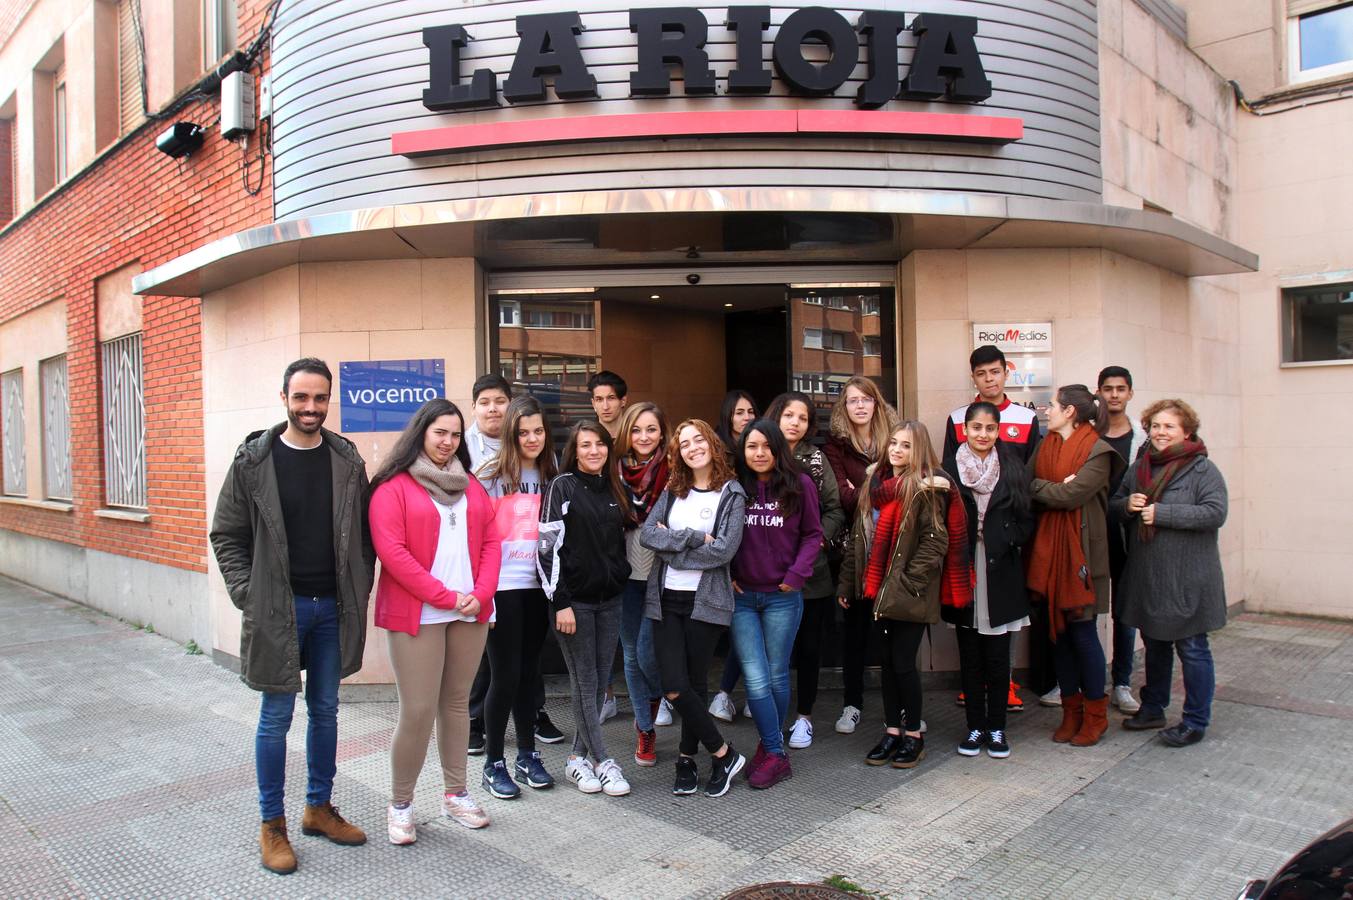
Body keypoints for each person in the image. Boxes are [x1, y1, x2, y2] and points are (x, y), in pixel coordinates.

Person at [210, 357, 375, 875]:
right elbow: (226, 535)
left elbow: (364, 539)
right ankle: (271, 824)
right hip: (279, 609)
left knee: (326, 712)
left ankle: (318, 808)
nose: (311, 408)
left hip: (332, 609)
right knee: (276, 717)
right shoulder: (253, 461)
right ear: (284, 398)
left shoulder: (347, 461)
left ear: (329, 401)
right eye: (301, 397)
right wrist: (248, 595)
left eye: (320, 398)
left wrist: (359, 584)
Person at [369, 398, 501, 842]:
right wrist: (446, 596)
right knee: (419, 710)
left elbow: (491, 544)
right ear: (421, 432)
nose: (448, 441)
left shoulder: (472, 487)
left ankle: (455, 793)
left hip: (469, 612)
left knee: (457, 704)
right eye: (439, 432)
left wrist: (480, 595)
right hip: (420, 614)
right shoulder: (393, 487)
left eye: (455, 434)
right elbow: (394, 555)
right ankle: (401, 803)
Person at [837, 421, 955, 770]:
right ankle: (891, 731)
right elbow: (858, 539)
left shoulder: (928, 487)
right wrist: (848, 583)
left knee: (903, 665)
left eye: (906, 445)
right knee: (887, 665)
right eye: (893, 444)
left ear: (918, 450)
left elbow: (936, 542)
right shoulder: (875, 485)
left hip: (908, 594)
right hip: (878, 590)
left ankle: (914, 736)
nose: (897, 450)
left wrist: (906, 582)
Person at [641, 419, 748, 797]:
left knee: (694, 684)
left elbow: (724, 551)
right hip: (665, 599)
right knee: (674, 685)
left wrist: (676, 553)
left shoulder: (732, 494)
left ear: (711, 443)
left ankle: (686, 760)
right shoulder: (674, 489)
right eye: (683, 443)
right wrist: (691, 538)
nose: (691, 447)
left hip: (706, 601)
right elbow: (649, 534)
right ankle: (724, 753)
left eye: (697, 439)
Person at [1113, 399, 1228, 747]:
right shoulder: (1141, 467)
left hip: (1187, 578)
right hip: (1150, 576)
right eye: (1156, 426)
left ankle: (1195, 720)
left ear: (1186, 431)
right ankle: (1153, 707)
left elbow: (1214, 513)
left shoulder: (1203, 470)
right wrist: (1126, 505)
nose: (1161, 433)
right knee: (1156, 644)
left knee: (1192, 648)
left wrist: (1163, 514)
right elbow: (1114, 503)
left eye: (1169, 427)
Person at [942, 345, 1043, 711]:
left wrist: (1015, 532)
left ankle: (1008, 683)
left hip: (1005, 537)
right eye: (982, 373)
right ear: (974, 377)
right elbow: (949, 478)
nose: (990, 379)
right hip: (968, 539)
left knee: (1004, 613)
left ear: (1006, 373)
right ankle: (974, 685)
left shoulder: (1026, 418)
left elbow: (1029, 480)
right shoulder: (956, 419)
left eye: (995, 372)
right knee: (970, 614)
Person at [467, 375, 561, 753]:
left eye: (538, 431)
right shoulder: (489, 475)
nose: (532, 439)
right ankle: (493, 762)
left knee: (526, 673)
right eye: (524, 433)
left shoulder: (552, 473)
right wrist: (481, 593)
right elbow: (475, 539)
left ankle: (526, 754)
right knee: (503, 677)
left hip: (538, 586)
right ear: (512, 434)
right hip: (502, 586)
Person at [538, 421, 633, 797]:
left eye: (600, 444)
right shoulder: (562, 486)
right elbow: (546, 550)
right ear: (574, 451)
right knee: (586, 681)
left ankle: (577, 759)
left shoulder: (614, 488)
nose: (594, 451)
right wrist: (559, 602)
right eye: (585, 445)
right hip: (572, 604)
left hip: (609, 601)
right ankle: (603, 759)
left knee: (597, 682)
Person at [1027, 385, 1124, 748]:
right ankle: (1071, 712)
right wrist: (1047, 486)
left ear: (1069, 412)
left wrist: (1046, 488)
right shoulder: (1046, 444)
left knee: (1083, 635)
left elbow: (1071, 495)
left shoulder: (1099, 451)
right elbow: (1026, 483)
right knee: (1062, 638)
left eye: (1052, 405)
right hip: (1050, 555)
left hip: (1082, 558)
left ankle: (1095, 716)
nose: (1046, 410)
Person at [730, 420, 823, 788]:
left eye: (765, 446)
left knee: (777, 673)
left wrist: (797, 575)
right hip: (743, 598)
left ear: (778, 449)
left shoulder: (799, 484)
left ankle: (770, 749)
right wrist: (729, 572)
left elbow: (813, 534)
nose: (758, 453)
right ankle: (776, 751)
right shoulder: (736, 487)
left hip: (783, 596)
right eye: (751, 446)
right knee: (755, 677)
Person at [942, 402, 1035, 759]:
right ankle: (975, 727)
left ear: (998, 430)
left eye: (990, 428)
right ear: (965, 429)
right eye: (976, 428)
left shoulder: (1012, 465)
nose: (983, 434)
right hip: (964, 568)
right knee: (970, 659)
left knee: (998, 660)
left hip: (1002, 570)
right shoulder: (949, 469)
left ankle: (997, 728)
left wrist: (1006, 538)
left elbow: (1027, 515)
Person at [761, 392, 846, 750]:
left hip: (810, 574)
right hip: (764, 573)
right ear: (776, 417)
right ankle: (770, 717)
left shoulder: (815, 459)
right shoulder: (758, 452)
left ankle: (805, 717)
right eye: (789, 415)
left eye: (803, 418)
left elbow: (835, 510)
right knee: (770, 650)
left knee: (809, 647)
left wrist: (815, 544)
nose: (795, 423)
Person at [824, 375, 898, 735]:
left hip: (894, 546)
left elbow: (906, 487)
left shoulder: (897, 438)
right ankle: (852, 705)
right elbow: (841, 495)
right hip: (855, 549)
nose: (860, 406)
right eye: (853, 400)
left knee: (892, 633)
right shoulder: (836, 444)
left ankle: (897, 709)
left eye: (866, 399)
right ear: (844, 406)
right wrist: (878, 489)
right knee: (855, 632)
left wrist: (865, 489)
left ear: (876, 403)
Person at [614, 401, 673, 768]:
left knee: (648, 653)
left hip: (660, 575)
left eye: (651, 429)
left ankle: (657, 695)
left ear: (662, 433)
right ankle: (645, 726)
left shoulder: (675, 471)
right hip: (623, 576)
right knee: (632, 654)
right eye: (636, 430)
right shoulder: (614, 472)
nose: (644, 437)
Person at [1097, 366, 1147, 714]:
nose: (1114, 394)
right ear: (1099, 392)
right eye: (1108, 388)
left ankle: (1123, 683)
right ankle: (1078, 680)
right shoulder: (1087, 434)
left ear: (1130, 393)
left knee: (1125, 613)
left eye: (1120, 389)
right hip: (1091, 535)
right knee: (1079, 612)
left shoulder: (1142, 441)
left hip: (1127, 536)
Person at [708, 388, 759, 721]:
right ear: (728, 417)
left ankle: (735, 693)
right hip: (725, 548)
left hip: (757, 546)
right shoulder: (720, 456)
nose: (745, 417)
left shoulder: (761, 451)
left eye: (751, 411)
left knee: (749, 628)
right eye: (739, 412)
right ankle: (724, 694)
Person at [465, 374, 512, 470]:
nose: (492, 409)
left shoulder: (527, 441)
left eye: (500, 402)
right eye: (484, 403)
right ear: (473, 408)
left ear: (512, 404)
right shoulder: (461, 446)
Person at [715, 389, 758, 455]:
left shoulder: (762, 441)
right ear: (727, 416)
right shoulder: (716, 448)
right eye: (739, 413)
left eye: (751, 412)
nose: (747, 417)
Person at [588, 370, 629, 439]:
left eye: (611, 398)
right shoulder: (585, 439)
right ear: (593, 404)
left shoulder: (636, 438)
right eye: (599, 399)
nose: (605, 407)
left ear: (623, 401)